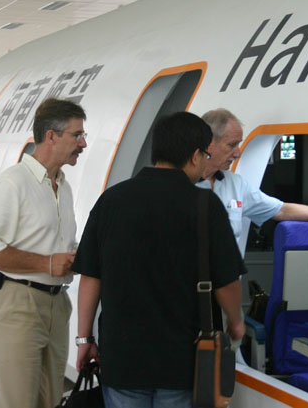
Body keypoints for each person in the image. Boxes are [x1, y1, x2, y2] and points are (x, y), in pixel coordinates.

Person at [72, 112, 245, 408]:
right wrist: (237, 323)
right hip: (183, 362)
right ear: (195, 156)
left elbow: (90, 277)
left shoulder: (111, 201)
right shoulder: (205, 206)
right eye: (205, 155)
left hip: (122, 360)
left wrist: (84, 338)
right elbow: (226, 282)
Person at [0, 98, 87, 408]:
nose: (83, 143)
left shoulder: (63, 186)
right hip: (17, 305)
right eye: (77, 135)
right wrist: (46, 263)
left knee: (50, 400)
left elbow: (58, 246)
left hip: (57, 305)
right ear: (51, 136)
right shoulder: (13, 183)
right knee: (19, 401)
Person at [197, 108, 308, 248]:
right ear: (209, 143)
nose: (237, 153)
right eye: (232, 145)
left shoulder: (235, 184)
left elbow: (282, 210)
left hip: (229, 273)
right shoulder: (185, 184)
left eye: (238, 145)